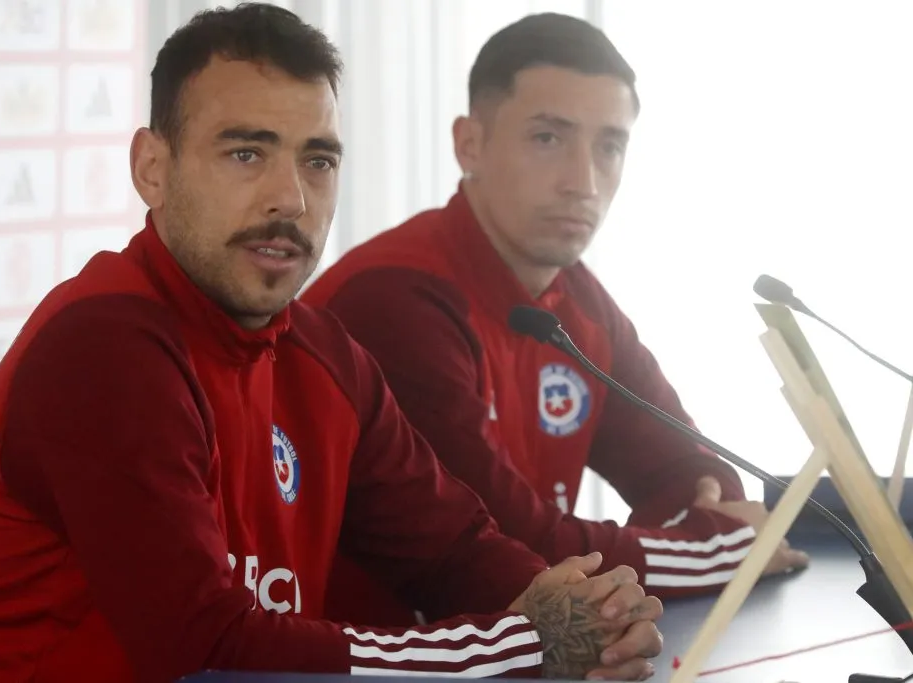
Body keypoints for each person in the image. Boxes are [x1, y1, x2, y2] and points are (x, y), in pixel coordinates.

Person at [0, 5, 663, 683]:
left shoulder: (324, 356)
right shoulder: (105, 349)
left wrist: (580, 612)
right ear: (152, 169)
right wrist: (523, 642)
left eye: (318, 160)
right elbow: (206, 647)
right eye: (246, 153)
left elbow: (452, 548)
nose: (290, 199)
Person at [302, 12, 810, 626]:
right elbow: (514, 543)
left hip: (525, 653)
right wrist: (713, 551)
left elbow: (694, 472)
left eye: (610, 145)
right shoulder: (393, 298)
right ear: (470, 144)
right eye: (548, 138)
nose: (583, 181)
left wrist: (688, 537)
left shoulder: (580, 302)